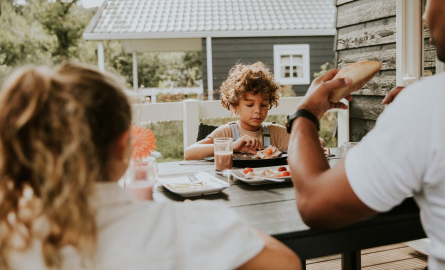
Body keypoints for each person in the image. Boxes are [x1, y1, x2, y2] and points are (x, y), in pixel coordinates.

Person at [0, 63, 301, 270]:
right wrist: (208, 220)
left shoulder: (11, 231)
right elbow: (286, 263)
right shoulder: (180, 225)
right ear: (123, 144)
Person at [287, 0, 445, 269]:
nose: (423, 16)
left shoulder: (430, 104)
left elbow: (313, 203)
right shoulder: (434, 102)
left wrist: (306, 112)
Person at [184, 62, 306, 160]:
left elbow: (317, 143)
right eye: (249, 105)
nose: (258, 111)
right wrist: (232, 146)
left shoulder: (276, 133)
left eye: (263, 105)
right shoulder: (228, 132)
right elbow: (189, 153)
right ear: (235, 105)